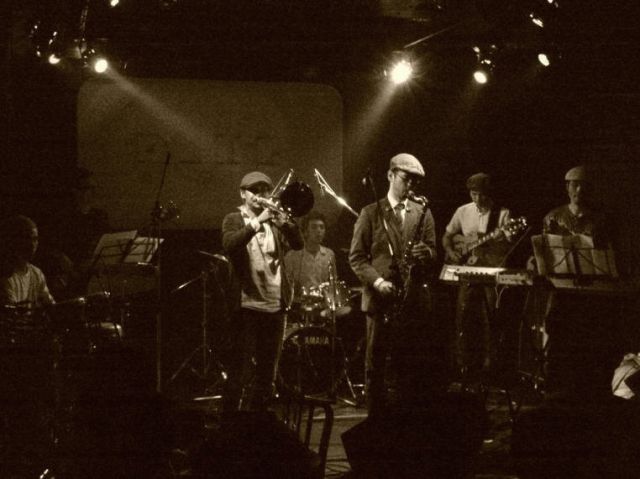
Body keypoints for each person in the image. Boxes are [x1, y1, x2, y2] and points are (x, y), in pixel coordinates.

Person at [349, 153, 437, 417]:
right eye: (406, 178)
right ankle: (376, 420)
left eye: (415, 181)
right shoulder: (370, 213)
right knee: (376, 365)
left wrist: (427, 253)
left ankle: (405, 420)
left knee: (409, 366)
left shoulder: (423, 212)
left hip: (411, 302)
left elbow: (434, 252)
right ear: (390, 175)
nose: (411, 185)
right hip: (381, 300)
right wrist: (377, 281)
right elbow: (356, 258)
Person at [221, 171, 303, 413]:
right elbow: (229, 244)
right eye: (254, 191)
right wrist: (258, 221)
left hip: (275, 306)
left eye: (265, 190)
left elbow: (298, 243)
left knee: (268, 373)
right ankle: (230, 421)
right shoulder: (234, 218)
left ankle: (259, 421)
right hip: (246, 307)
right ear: (243, 194)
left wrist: (285, 223)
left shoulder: (275, 223)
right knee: (240, 370)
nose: (260, 195)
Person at [541, 165, 620, 402]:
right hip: (562, 289)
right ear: (567, 188)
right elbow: (545, 253)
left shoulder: (602, 218)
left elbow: (611, 256)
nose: (579, 190)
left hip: (591, 292)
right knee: (557, 334)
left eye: (584, 186)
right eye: (574, 185)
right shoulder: (553, 217)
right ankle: (556, 389)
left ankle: (586, 391)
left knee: (589, 340)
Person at [442, 173, 513, 390]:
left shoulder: (503, 214)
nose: (477, 199)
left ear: (488, 193)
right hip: (468, 272)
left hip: (492, 275)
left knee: (492, 321)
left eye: (481, 194)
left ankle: (490, 370)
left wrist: (503, 238)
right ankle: (465, 368)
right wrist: (451, 252)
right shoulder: (463, 211)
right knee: (463, 319)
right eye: (473, 194)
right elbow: (447, 236)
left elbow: (510, 243)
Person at [39, 166, 111, 299]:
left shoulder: (99, 216)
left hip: (92, 274)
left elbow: (104, 243)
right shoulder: (61, 217)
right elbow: (48, 245)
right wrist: (63, 259)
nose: (93, 192)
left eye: (94, 188)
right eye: (88, 188)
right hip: (67, 276)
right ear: (75, 191)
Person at [284, 210, 338, 322]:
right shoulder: (292, 255)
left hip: (322, 307)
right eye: (314, 227)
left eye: (322, 227)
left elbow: (333, 284)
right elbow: (286, 285)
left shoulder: (329, 254)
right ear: (305, 232)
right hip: (298, 309)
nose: (319, 231)